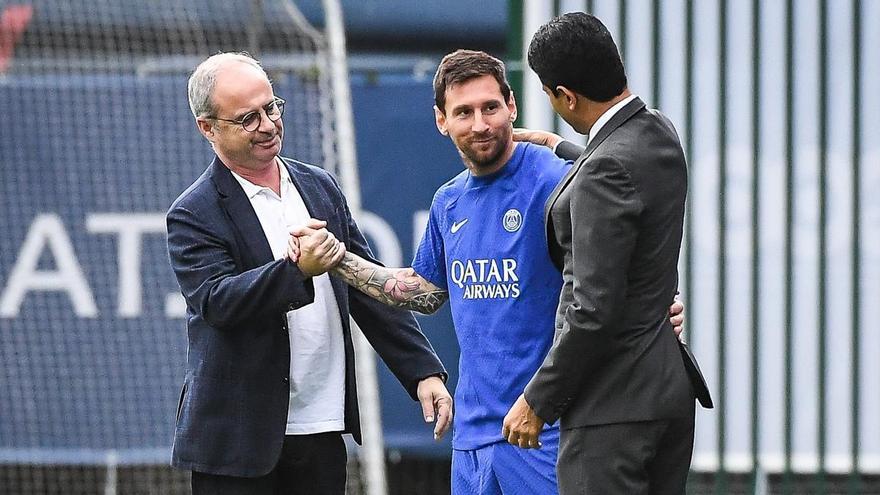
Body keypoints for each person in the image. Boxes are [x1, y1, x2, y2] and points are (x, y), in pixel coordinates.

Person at [291, 49, 686, 495]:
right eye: (464, 112)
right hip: (473, 437)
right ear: (442, 120)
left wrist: (653, 310)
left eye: (490, 108)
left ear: (512, 106)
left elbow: (614, 268)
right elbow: (423, 292)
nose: (479, 124)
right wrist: (337, 259)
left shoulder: (561, 181)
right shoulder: (448, 201)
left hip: (543, 428)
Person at [165, 52, 452, 495]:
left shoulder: (318, 185)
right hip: (237, 442)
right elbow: (218, 302)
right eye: (247, 118)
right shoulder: (192, 213)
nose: (267, 124)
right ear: (208, 128)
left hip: (321, 427)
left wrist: (422, 373)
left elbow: (366, 286)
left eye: (271, 107)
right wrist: (296, 271)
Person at [501, 13, 712, 494]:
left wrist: (537, 400)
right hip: (667, 396)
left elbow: (592, 310)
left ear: (566, 97)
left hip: (611, 410)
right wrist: (563, 148)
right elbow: (620, 171)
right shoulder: (659, 132)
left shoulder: (604, 172)